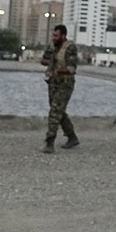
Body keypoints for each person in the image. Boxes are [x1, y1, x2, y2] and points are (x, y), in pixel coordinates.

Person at [40, 23, 79, 153]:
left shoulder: (70, 48)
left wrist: (58, 69)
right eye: (53, 35)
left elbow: (71, 68)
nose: (54, 38)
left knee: (55, 111)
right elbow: (43, 60)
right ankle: (72, 136)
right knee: (58, 111)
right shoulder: (52, 46)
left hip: (65, 83)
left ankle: (50, 141)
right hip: (53, 83)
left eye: (56, 36)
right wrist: (51, 62)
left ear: (63, 36)